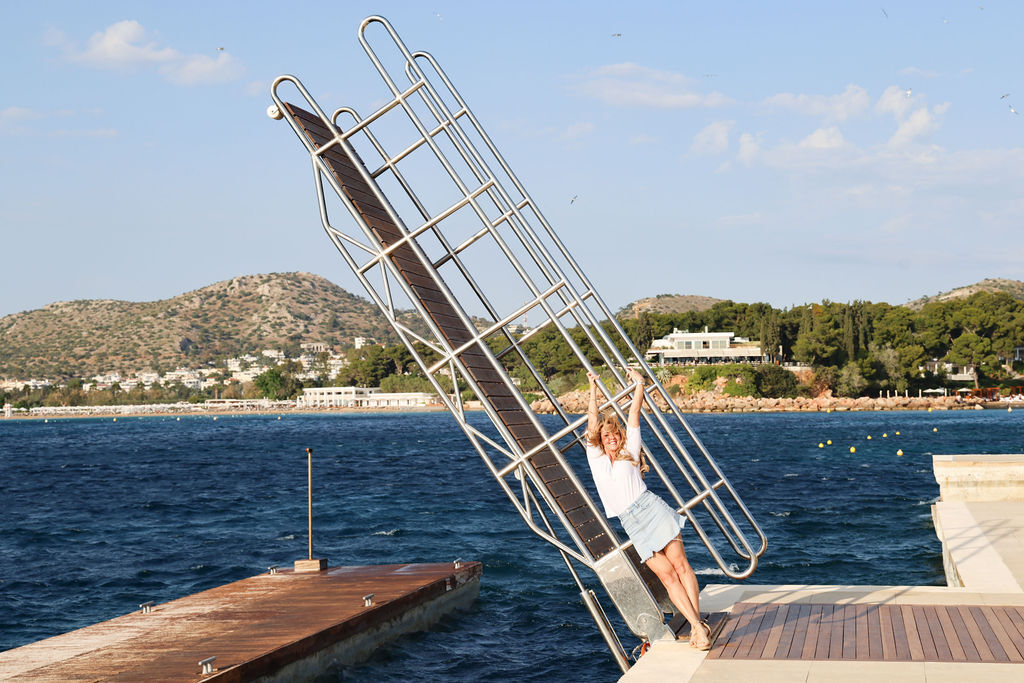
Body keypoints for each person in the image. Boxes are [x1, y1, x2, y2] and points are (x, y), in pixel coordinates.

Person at [585, 368, 710, 650]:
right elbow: (593, 423)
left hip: (651, 509)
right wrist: (593, 388)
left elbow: (633, 416)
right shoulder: (596, 458)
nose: (611, 439)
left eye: (613, 435)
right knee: (666, 575)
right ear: (600, 441)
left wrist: (639, 384)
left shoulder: (631, 448)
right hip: (632, 522)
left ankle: (697, 626)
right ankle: (696, 625)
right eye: (606, 437)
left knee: (680, 566)